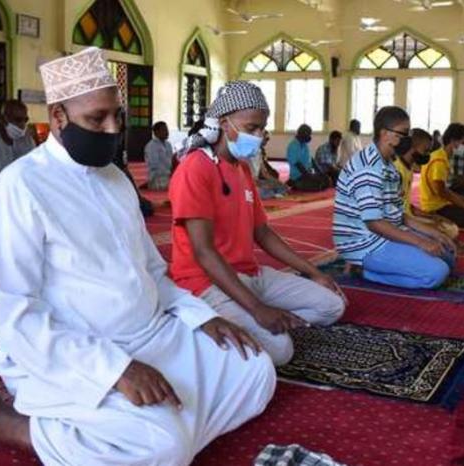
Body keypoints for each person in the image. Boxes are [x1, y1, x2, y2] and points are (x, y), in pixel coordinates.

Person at [0, 48, 275, 466]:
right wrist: (116, 370)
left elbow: (153, 272)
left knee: (256, 371)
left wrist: (202, 317)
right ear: (58, 117)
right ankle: (9, 422)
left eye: (117, 116)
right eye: (97, 119)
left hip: (153, 334)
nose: (112, 129)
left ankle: (156, 428)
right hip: (79, 353)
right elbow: (14, 316)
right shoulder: (18, 190)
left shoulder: (116, 180)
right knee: (162, 448)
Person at [169, 81, 346, 366]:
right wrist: (258, 308)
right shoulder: (196, 168)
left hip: (251, 275)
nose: (259, 135)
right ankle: (203, 324)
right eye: (251, 127)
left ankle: (259, 323)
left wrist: (315, 272)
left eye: (261, 128)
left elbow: (262, 232)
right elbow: (203, 253)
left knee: (332, 304)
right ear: (225, 124)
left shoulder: (241, 168)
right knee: (280, 352)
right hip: (206, 283)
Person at [334, 106, 454, 289]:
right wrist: (421, 242)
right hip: (365, 242)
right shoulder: (368, 168)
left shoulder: (388, 165)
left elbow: (399, 215)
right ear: (385, 134)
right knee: (437, 272)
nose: (408, 140)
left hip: (385, 232)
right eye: (403, 134)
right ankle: (366, 271)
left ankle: (382, 266)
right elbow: (374, 223)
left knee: (446, 254)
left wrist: (433, 233)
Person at [420, 123, 464, 229]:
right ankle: (433, 219)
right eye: (463, 143)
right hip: (434, 208)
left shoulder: (443, 157)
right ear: (453, 141)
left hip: (443, 203)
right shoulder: (439, 160)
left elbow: (447, 191)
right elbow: (442, 191)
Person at [394, 128, 459, 240]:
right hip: (399, 223)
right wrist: (428, 225)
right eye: (425, 150)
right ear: (412, 147)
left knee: (450, 228)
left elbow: (408, 206)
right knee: (444, 234)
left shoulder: (409, 169)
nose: (427, 155)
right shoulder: (397, 170)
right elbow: (394, 212)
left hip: (409, 218)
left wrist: (433, 217)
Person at [286, 124, 331, 191]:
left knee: (326, 179)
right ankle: (295, 183)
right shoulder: (293, 146)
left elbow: (311, 160)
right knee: (315, 185)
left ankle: (314, 184)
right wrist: (310, 176)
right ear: (303, 133)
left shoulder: (305, 145)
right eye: (309, 134)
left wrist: (320, 172)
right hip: (298, 176)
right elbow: (298, 165)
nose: (310, 137)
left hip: (308, 174)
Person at [143, 121, 173, 191]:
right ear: (156, 132)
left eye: (167, 130)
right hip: (157, 178)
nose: (167, 132)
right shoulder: (151, 146)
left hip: (167, 176)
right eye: (164, 130)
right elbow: (154, 165)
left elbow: (170, 163)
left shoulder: (168, 145)